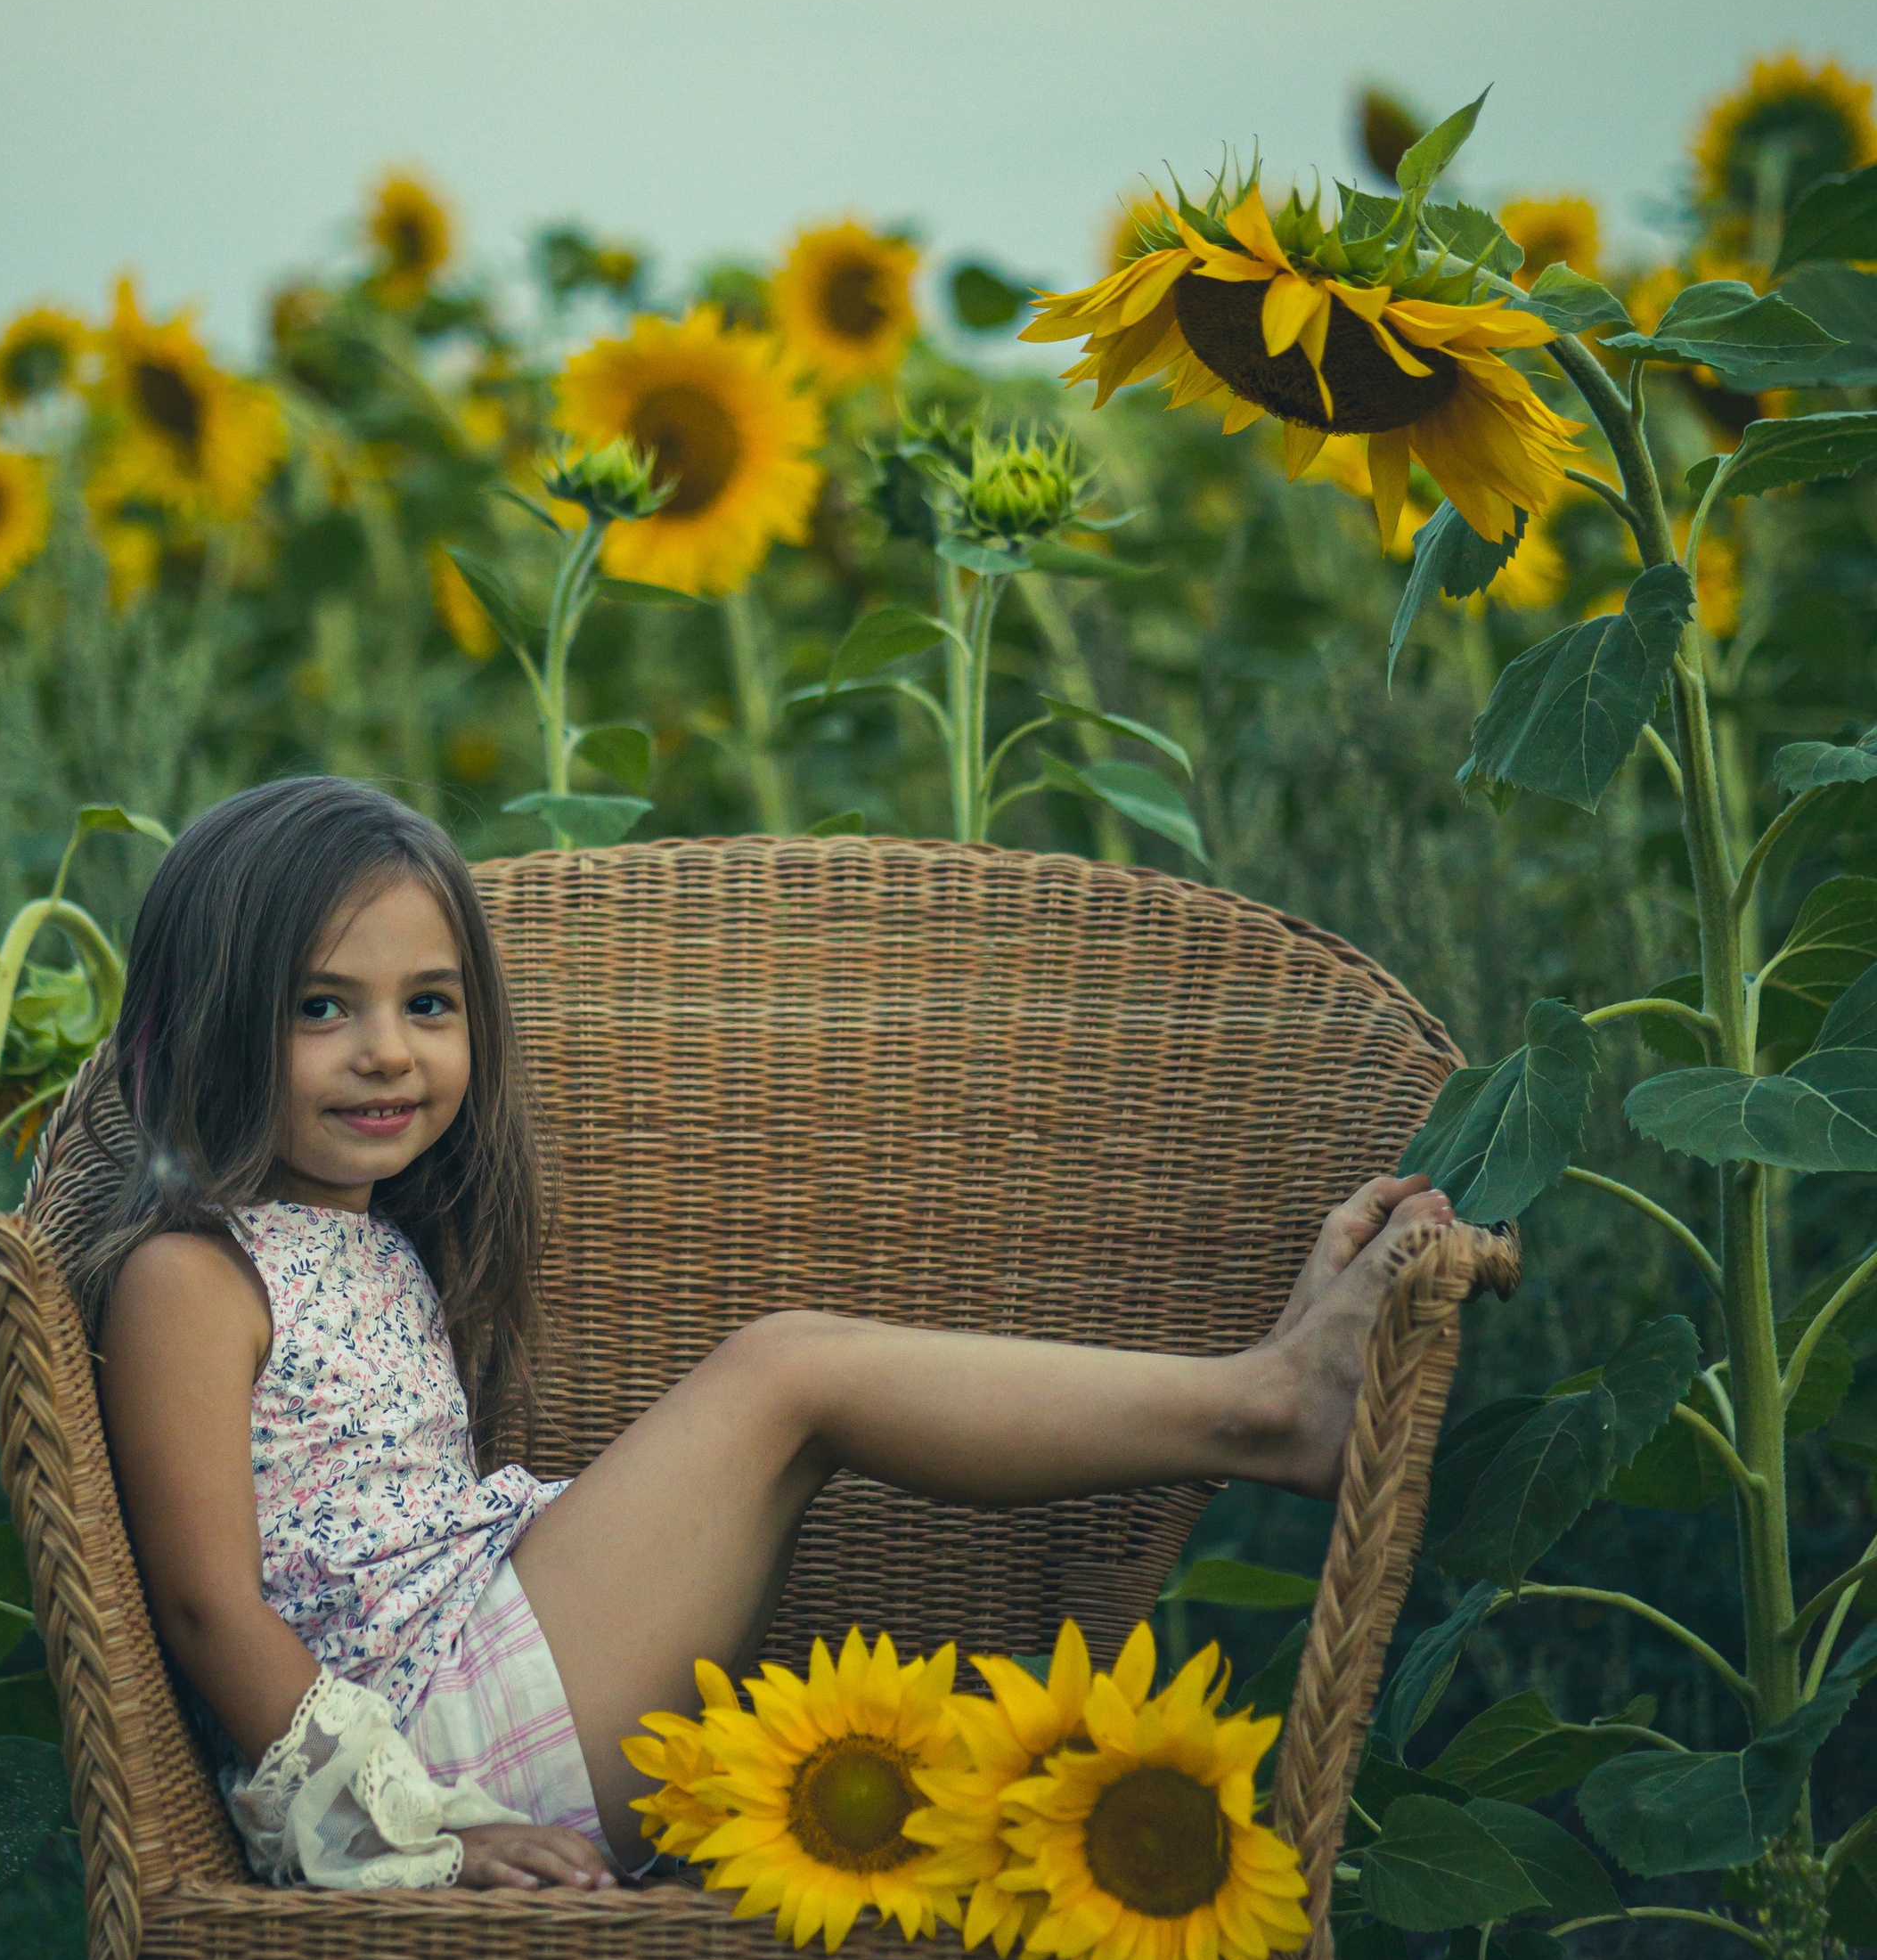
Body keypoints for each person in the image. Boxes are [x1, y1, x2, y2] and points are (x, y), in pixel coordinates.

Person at [78, 778, 1451, 1899]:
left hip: (469, 1688)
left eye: (428, 1005)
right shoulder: (192, 1278)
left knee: (797, 1399)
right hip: (415, 1762)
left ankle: (1253, 1411)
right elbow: (210, 1609)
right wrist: (423, 1827)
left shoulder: (366, 1239)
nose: (390, 1051)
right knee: (789, 1372)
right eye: (325, 1008)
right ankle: (1268, 1409)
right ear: (209, 1020)